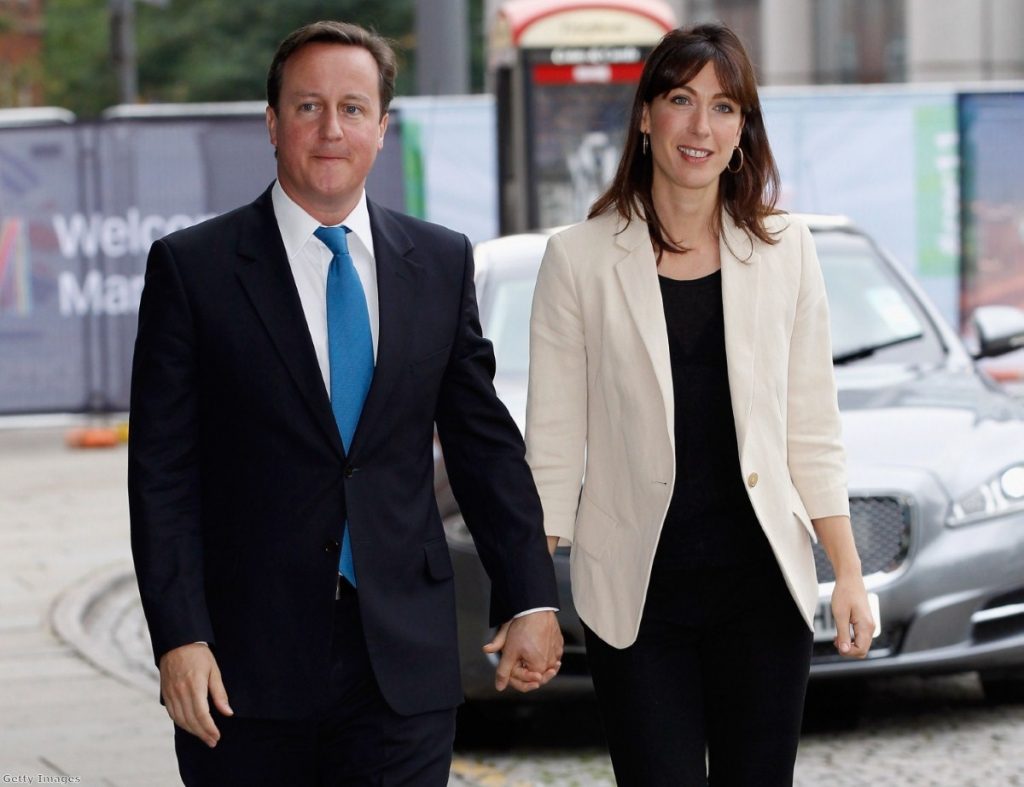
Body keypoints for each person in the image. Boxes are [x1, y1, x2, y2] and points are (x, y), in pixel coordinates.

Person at [128, 20, 562, 786]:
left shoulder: (439, 261)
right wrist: (179, 636)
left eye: (353, 108)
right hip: (242, 668)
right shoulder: (193, 271)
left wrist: (528, 595)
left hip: (403, 662)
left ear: (382, 129)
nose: (332, 129)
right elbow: (161, 474)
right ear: (272, 123)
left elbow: (483, 446)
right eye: (308, 107)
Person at [525, 23, 874, 786]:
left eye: (724, 107)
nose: (700, 126)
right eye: (680, 99)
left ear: (743, 130)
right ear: (645, 116)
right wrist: (529, 600)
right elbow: (552, 446)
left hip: (763, 596)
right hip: (637, 602)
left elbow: (811, 429)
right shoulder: (578, 260)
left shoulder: (787, 249)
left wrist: (846, 571)